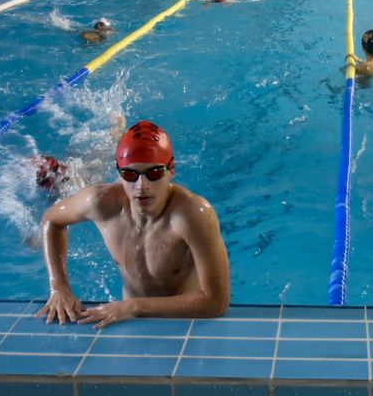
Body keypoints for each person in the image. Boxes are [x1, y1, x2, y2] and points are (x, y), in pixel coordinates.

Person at [37, 120, 230, 326]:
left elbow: (216, 302)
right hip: (128, 320)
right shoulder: (100, 203)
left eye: (154, 173)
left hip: (183, 322)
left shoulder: (192, 215)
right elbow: (51, 220)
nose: (141, 186)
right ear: (119, 173)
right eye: (130, 174)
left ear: (171, 169)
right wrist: (59, 287)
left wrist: (133, 306)